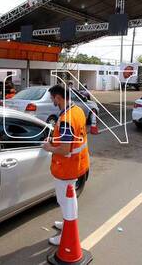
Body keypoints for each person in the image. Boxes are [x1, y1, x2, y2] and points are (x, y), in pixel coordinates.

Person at [42, 84, 90, 246]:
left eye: (52, 98)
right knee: (70, 200)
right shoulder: (77, 110)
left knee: (66, 201)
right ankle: (67, 223)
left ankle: (66, 234)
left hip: (66, 168)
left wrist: (49, 147)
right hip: (77, 164)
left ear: (58, 98)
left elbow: (64, 149)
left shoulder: (65, 120)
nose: (51, 101)